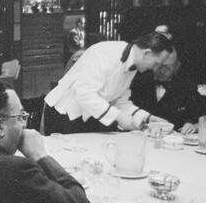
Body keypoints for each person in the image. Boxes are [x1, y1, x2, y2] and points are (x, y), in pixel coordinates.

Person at [45, 31, 176, 133]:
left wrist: (146, 117)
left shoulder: (132, 65)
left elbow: (120, 100)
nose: (155, 69)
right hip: (65, 114)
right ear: (147, 53)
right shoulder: (106, 53)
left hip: (89, 115)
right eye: (156, 63)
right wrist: (118, 117)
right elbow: (84, 94)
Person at [130, 51, 202, 134]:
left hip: (174, 138)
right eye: (159, 66)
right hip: (140, 135)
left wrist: (193, 126)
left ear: (177, 66)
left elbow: (201, 117)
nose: (162, 71)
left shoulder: (186, 87)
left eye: (168, 67)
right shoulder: (138, 82)